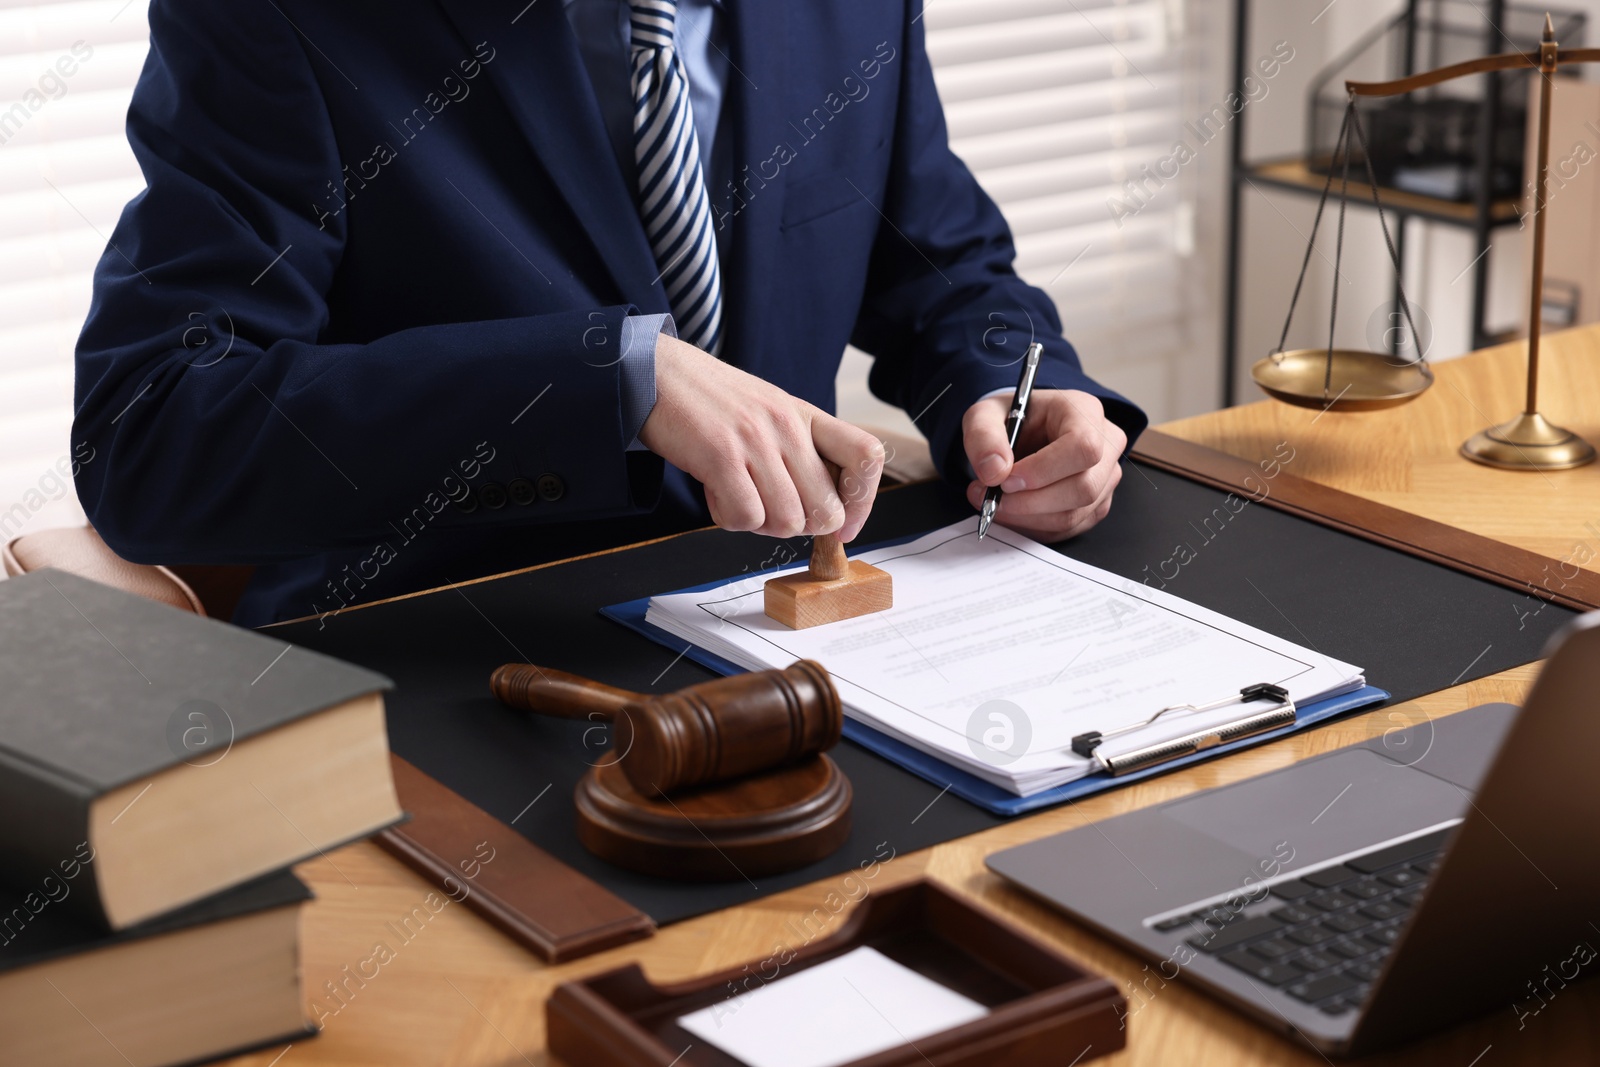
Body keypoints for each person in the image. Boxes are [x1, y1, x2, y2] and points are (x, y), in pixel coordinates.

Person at [72, 0, 1146, 627]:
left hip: (815, 647)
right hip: (460, 668)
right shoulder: (283, 20)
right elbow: (153, 434)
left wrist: (1018, 385)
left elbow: (941, 264)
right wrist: (606, 381)